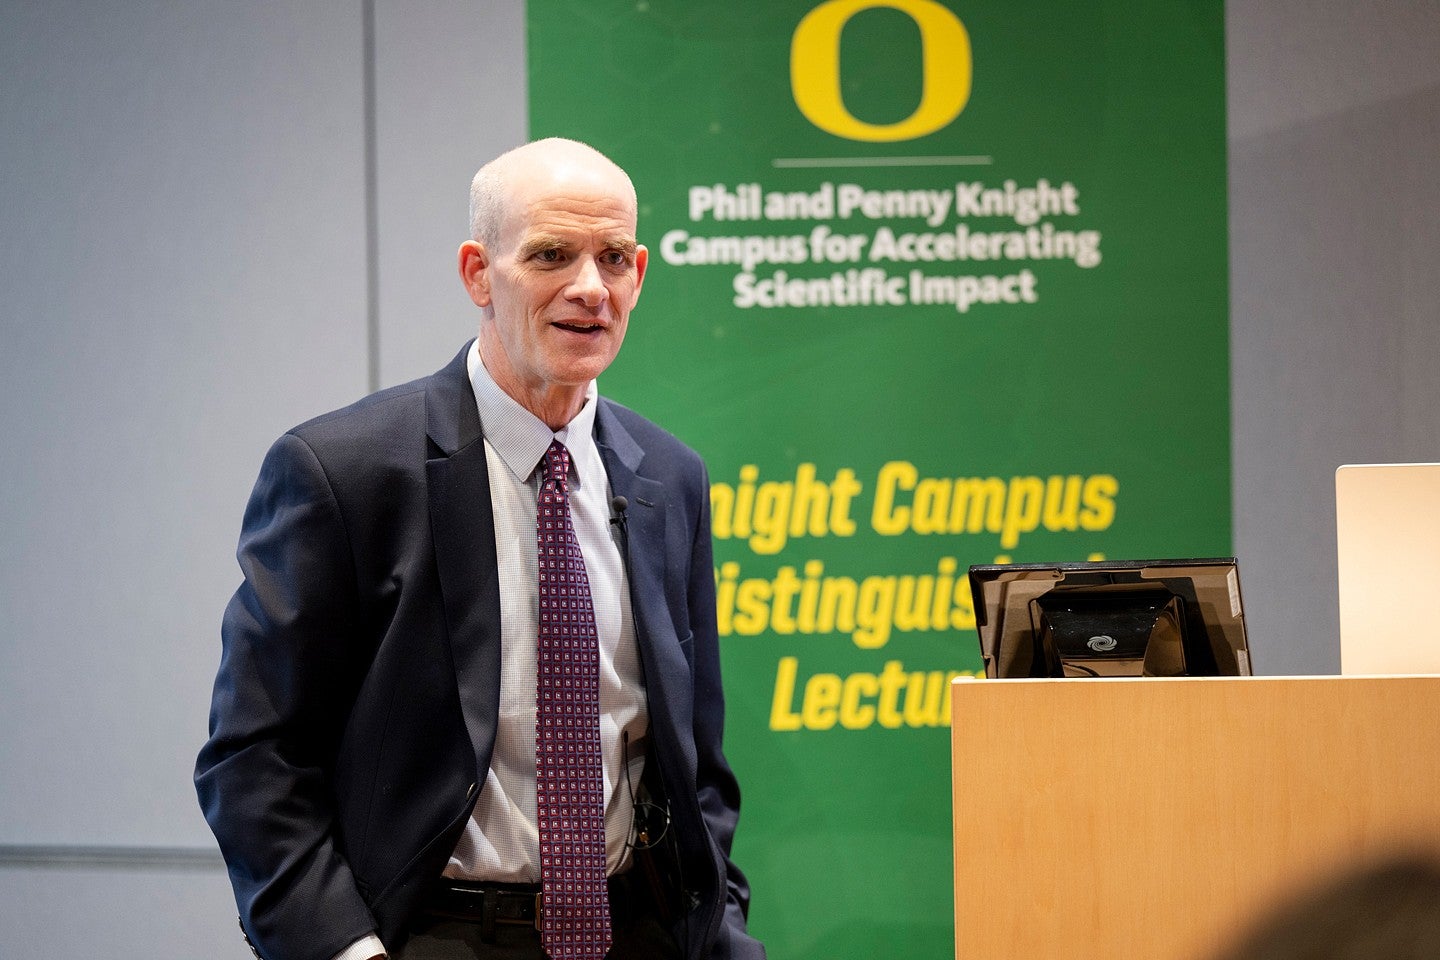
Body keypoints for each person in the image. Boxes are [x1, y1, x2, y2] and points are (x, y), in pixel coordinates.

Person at [196, 138, 763, 960]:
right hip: (434, 935)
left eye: (613, 259)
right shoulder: (343, 473)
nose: (589, 289)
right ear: (476, 273)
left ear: (640, 271)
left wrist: (720, 929)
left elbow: (697, 761)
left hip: (639, 929)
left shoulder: (670, 478)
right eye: (551, 256)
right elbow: (254, 757)